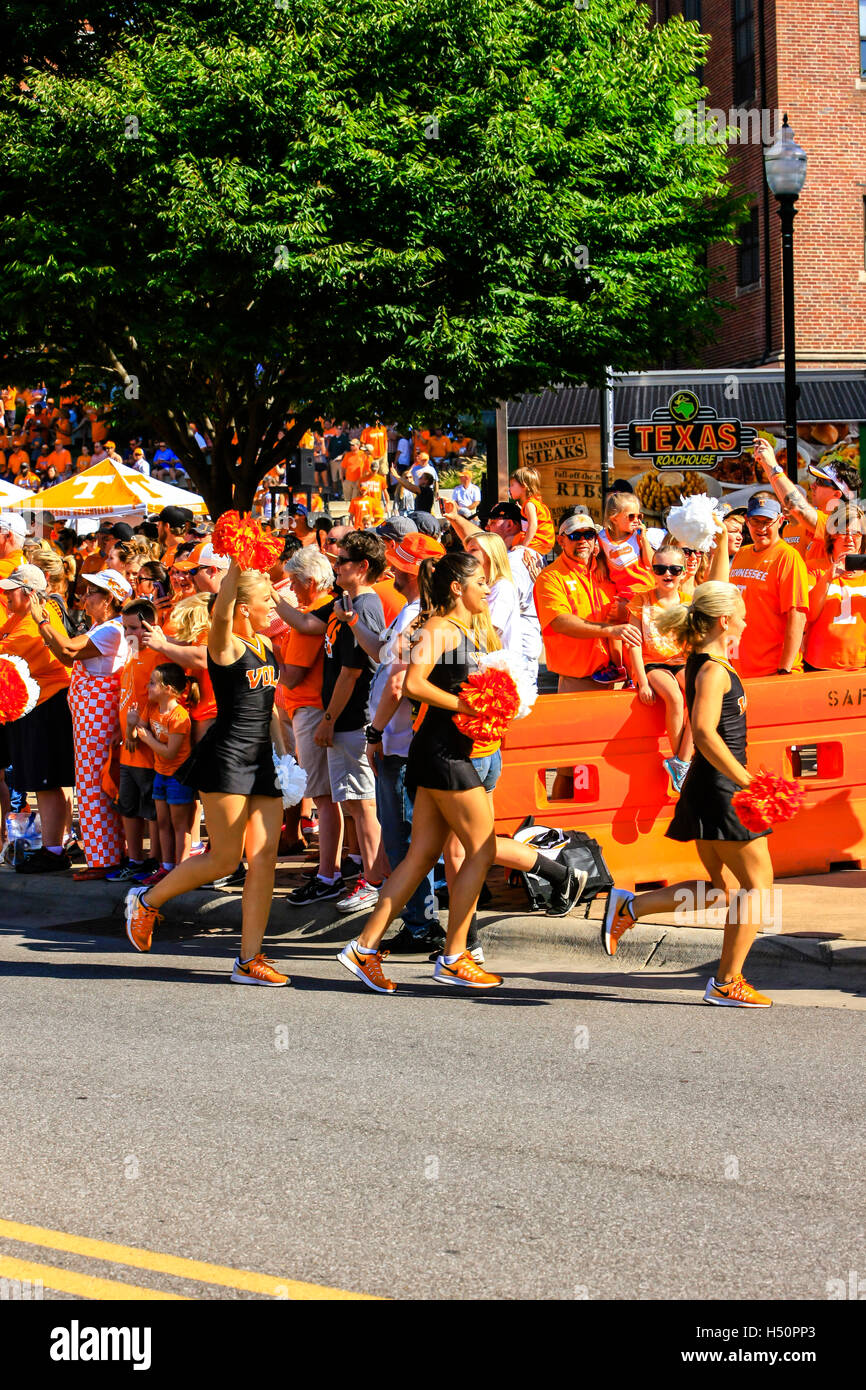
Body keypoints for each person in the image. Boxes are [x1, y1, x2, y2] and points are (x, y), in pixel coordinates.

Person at [602, 579, 777, 1008]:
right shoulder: (714, 669)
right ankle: (727, 982)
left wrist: (717, 539)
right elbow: (702, 731)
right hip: (721, 787)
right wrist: (746, 780)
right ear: (723, 620)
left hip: (708, 785)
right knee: (757, 887)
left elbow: (715, 584)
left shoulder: (704, 658)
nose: (747, 617)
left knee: (724, 890)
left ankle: (631, 907)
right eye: (741, 610)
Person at [337, 551, 503, 993]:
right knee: (481, 851)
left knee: (421, 856)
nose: (487, 588)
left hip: (444, 751)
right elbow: (412, 684)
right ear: (457, 588)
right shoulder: (438, 628)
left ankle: (363, 948)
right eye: (481, 581)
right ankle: (454, 955)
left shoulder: (462, 629)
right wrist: (466, 704)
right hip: (442, 754)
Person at [124, 562, 291, 985]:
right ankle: (147, 899)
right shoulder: (225, 644)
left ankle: (249, 959)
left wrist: (286, 754)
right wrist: (236, 564)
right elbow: (219, 612)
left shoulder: (266, 648)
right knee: (224, 857)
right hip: (228, 758)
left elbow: (269, 706)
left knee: (265, 858)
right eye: (265, 601)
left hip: (261, 760)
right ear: (242, 608)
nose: (273, 606)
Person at [272, 530, 387, 913]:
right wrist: (270, 594)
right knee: (352, 802)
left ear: (362, 567)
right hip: (342, 721)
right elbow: (305, 624)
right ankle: (359, 877)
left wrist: (329, 719)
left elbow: (352, 672)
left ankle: (374, 880)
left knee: (362, 804)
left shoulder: (364, 605)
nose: (335, 566)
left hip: (352, 719)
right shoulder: (343, 601)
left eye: (342, 561)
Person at [33, 568, 132, 875]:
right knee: (91, 785)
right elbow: (66, 656)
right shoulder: (103, 627)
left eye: (93, 592)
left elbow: (68, 649)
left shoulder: (111, 629)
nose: (85, 596)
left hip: (98, 717)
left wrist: (44, 622)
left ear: (110, 599)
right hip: (90, 716)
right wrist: (46, 629)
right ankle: (103, 856)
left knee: (94, 786)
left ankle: (104, 860)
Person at [279, 547, 346, 902]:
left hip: (310, 710)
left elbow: (291, 677)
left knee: (324, 796)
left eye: (293, 581)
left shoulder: (309, 615)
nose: (290, 588)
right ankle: (335, 866)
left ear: (309, 582)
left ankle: (328, 873)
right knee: (331, 796)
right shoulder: (316, 611)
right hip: (312, 710)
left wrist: (269, 648)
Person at [0, 564, 75, 871]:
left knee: (47, 783)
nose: (4, 594)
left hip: (47, 706)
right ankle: (50, 847)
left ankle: (54, 850)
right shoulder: (19, 617)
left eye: (10, 590)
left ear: (29, 594)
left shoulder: (34, 622)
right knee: (41, 783)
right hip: (34, 707)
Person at [627, 543, 693, 793]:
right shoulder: (641, 600)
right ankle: (682, 763)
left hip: (682, 660)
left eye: (674, 569)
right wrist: (642, 682)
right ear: (652, 571)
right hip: (652, 662)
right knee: (675, 697)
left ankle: (682, 761)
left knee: (699, 695)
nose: (667, 574)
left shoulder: (689, 602)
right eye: (660, 568)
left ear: (683, 573)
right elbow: (633, 643)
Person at [107, 599, 161, 883]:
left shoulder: (157, 656)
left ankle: (154, 860)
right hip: (127, 749)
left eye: (134, 627)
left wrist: (138, 729)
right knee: (128, 806)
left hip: (147, 747)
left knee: (151, 810)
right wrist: (120, 730)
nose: (128, 633)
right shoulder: (131, 654)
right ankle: (135, 859)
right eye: (124, 627)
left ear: (150, 626)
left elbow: (158, 700)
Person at [729, 493, 809, 676]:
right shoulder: (741, 554)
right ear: (747, 521)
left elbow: (797, 615)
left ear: (780, 521)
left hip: (774, 670)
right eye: (756, 521)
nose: (761, 528)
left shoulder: (788, 557)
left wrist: (785, 668)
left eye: (768, 521)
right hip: (741, 669)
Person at [754, 437, 861, 570]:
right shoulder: (813, 523)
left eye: (821, 482)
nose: (813, 485)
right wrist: (767, 466)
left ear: (837, 495)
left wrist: (771, 465)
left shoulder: (841, 524)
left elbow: (797, 506)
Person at [134, 662, 196, 882]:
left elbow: (170, 753)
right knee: (162, 823)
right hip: (160, 773)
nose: (147, 686)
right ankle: (166, 867)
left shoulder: (179, 716)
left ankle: (181, 869)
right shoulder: (151, 707)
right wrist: (133, 725)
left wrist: (148, 739)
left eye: (152, 683)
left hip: (178, 776)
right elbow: (137, 729)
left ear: (168, 689)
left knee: (180, 825)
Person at [593, 491, 655, 682]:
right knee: (614, 626)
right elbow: (602, 554)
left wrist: (644, 540)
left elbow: (650, 563)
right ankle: (620, 667)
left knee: (633, 633)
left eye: (640, 516)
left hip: (642, 589)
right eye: (631, 516)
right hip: (622, 591)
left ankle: (633, 672)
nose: (637, 520)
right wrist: (601, 563)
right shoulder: (602, 537)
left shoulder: (637, 537)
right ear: (614, 518)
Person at [803, 504, 866, 671]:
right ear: (832, 536)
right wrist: (828, 577)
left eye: (856, 533)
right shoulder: (813, 568)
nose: (850, 538)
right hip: (820, 664)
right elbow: (809, 615)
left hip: (862, 665)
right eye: (843, 533)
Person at [508, 467, 555, 555]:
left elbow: (533, 525)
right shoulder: (535, 503)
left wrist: (523, 546)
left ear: (523, 486)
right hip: (546, 543)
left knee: (508, 539)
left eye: (512, 485)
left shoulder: (529, 505)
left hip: (538, 542)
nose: (509, 488)